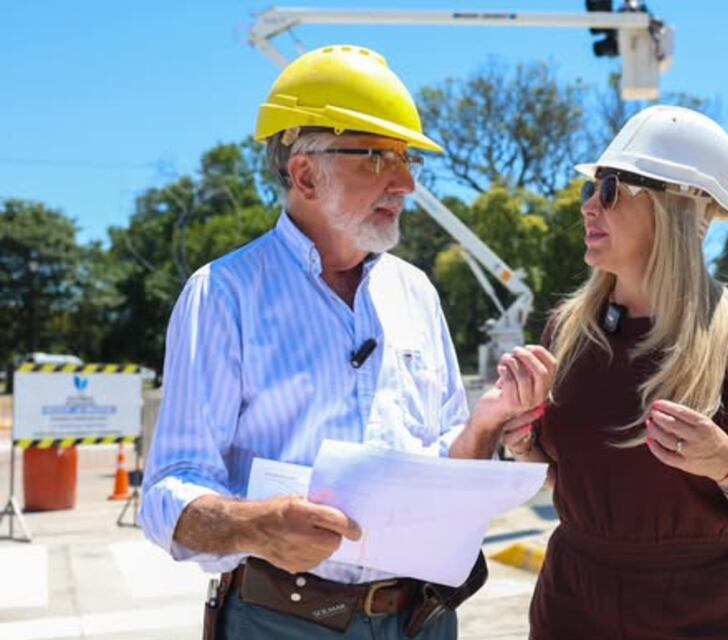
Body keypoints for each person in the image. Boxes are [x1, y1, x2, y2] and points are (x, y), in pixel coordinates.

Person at [138, 45, 554, 640]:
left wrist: (486, 425)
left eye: (407, 159)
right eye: (380, 158)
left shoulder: (416, 294)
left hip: (421, 618)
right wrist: (255, 526)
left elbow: (442, 475)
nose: (406, 183)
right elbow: (168, 494)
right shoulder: (224, 294)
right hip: (282, 622)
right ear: (305, 172)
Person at [505, 106, 728, 639]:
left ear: (675, 206)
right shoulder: (566, 331)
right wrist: (522, 444)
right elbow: (568, 476)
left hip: (704, 614)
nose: (587, 206)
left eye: (609, 189)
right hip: (573, 606)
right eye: (590, 188)